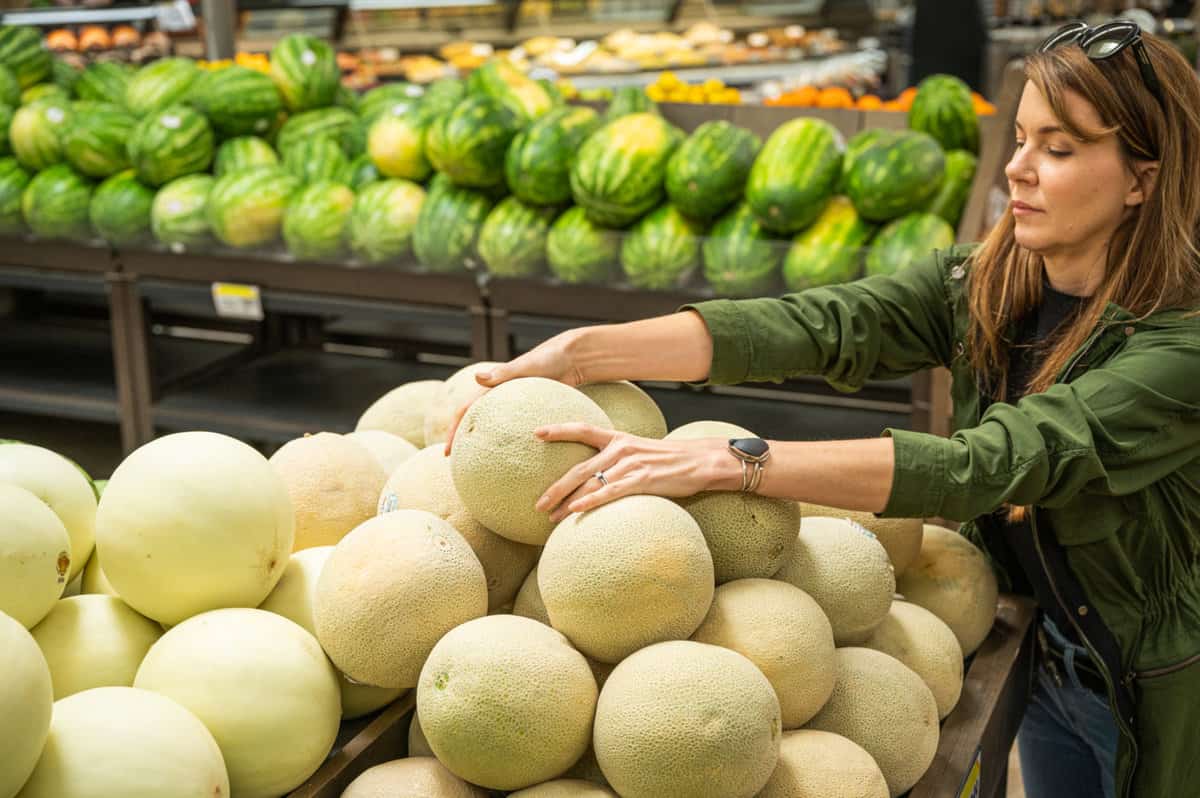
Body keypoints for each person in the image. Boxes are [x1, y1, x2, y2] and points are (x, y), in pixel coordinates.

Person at [447, 20, 1200, 798]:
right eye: (1019, 140)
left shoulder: (1182, 345)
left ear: (1143, 179)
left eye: (1059, 148)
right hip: (1043, 652)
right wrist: (585, 351)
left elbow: (996, 463)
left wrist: (740, 461)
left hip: (1151, 690)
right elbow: (820, 325)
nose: (1017, 169)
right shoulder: (990, 281)